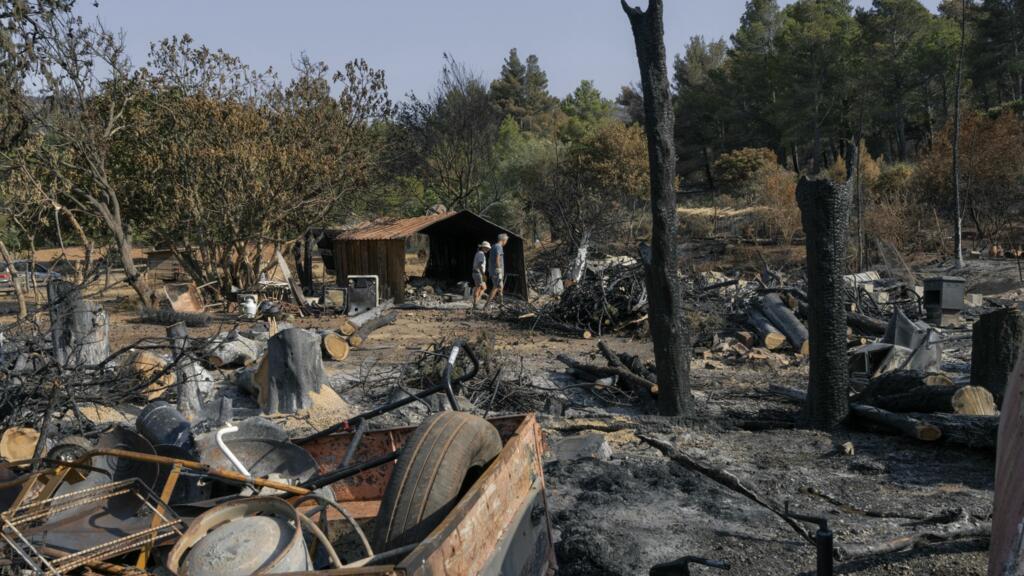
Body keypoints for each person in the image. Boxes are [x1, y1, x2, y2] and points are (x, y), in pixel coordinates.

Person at [483, 233, 508, 310]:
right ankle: (486, 305)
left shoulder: (494, 246)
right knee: (496, 287)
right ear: (503, 240)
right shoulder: (498, 246)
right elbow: (497, 258)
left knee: (500, 287)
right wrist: (499, 270)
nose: (506, 242)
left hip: (493, 270)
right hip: (496, 271)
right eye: (506, 240)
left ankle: (501, 303)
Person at [472, 241, 490, 309]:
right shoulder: (481, 254)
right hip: (478, 273)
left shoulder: (479, 253)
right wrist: (483, 274)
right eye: (487, 248)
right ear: (484, 248)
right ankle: (475, 303)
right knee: (480, 288)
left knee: (481, 287)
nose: (488, 249)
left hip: (476, 272)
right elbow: (480, 265)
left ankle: (475, 303)